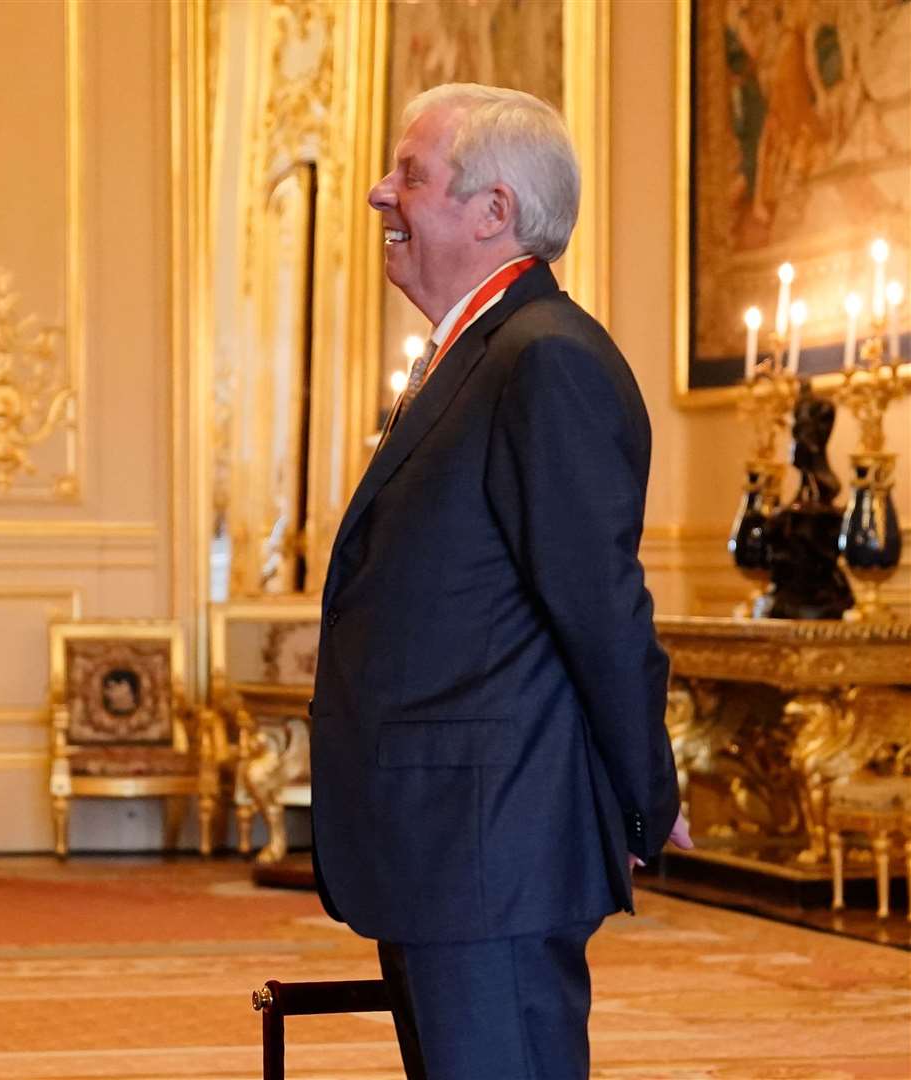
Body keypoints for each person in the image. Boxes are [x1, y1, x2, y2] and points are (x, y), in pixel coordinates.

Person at [311, 83, 690, 1079]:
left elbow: (597, 604)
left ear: (494, 211)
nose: (377, 195)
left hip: (492, 849)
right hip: (451, 845)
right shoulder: (479, 356)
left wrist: (645, 796)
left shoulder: (543, 360)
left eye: (410, 175)